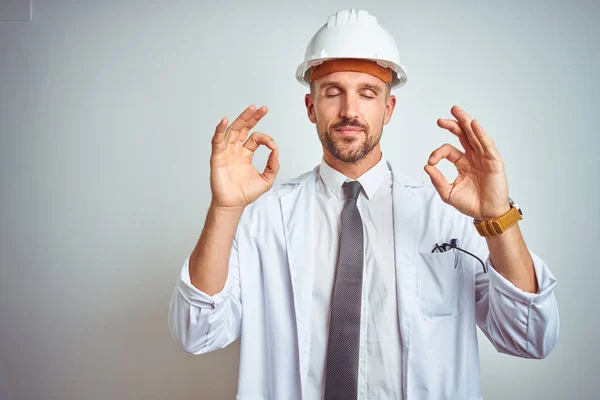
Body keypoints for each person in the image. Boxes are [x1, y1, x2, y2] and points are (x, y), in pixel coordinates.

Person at [168, 8, 559, 400]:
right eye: (333, 91)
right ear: (310, 107)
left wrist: (497, 217)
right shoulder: (262, 219)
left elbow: (530, 336)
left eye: (367, 93)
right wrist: (224, 211)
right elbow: (197, 332)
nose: (350, 110)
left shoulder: (450, 215)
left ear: (388, 109)